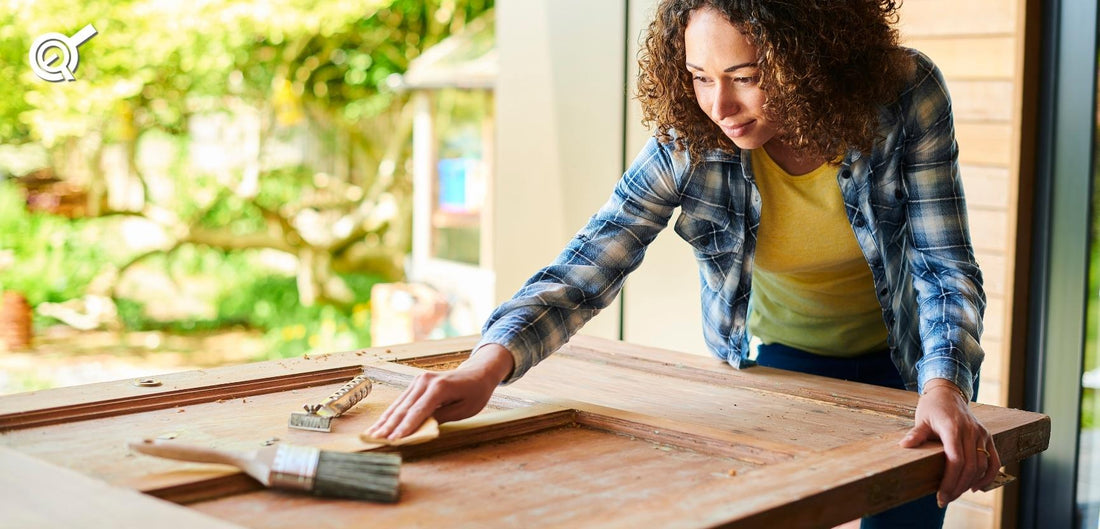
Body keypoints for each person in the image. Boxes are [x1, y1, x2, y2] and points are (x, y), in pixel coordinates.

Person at [368, 1, 1000, 526]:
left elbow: (943, 265)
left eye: (747, 75)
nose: (718, 105)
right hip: (777, 362)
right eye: (700, 76)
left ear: (817, 57)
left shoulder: (904, 94)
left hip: (911, 362)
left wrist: (943, 386)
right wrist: (485, 368)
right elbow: (590, 264)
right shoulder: (690, 140)